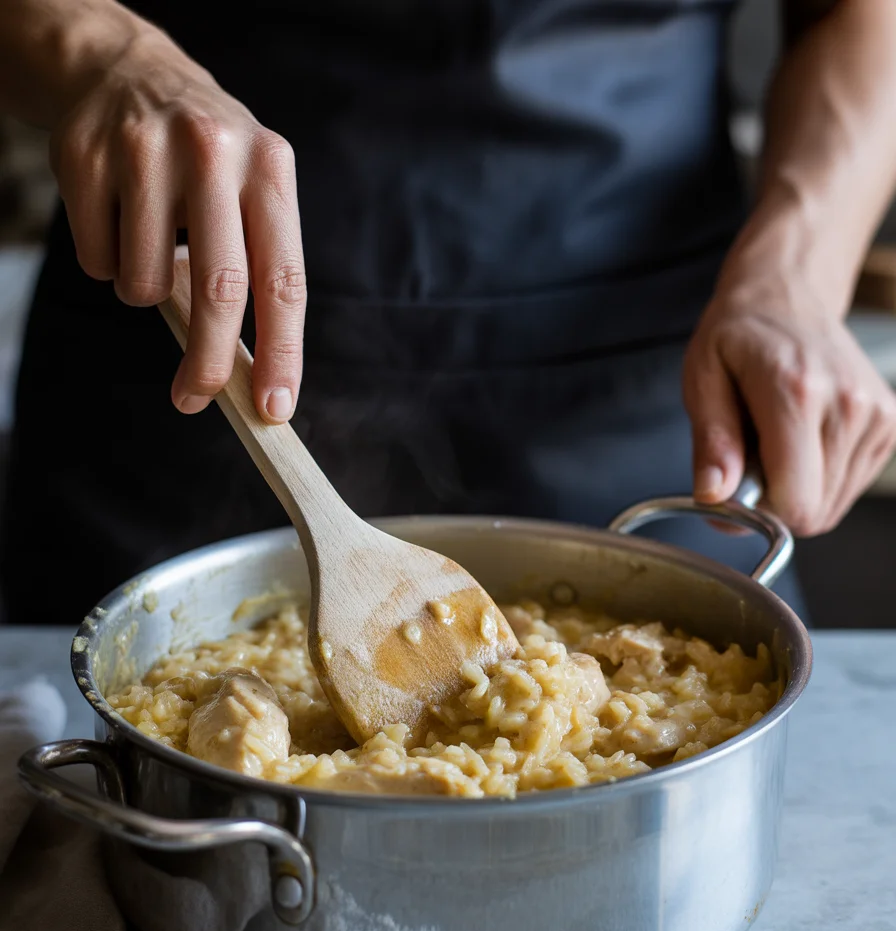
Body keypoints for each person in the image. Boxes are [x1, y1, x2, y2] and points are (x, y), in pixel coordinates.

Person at [1, 0, 895, 623]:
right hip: (180, 333)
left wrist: (797, 275)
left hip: (644, 381)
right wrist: (101, 49)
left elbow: (857, 14)